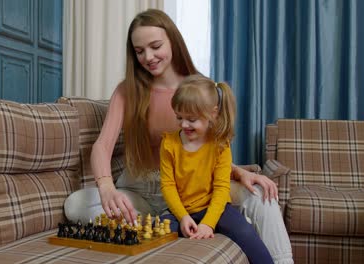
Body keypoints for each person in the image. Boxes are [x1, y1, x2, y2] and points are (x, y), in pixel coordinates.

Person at [67, 8, 293, 264]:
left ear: (173, 40)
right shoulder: (127, 91)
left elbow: (205, 155)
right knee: (76, 205)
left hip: (193, 188)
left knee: (263, 197)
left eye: (155, 46)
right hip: (139, 191)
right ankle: (161, 223)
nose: (148, 57)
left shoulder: (199, 89)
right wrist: (106, 188)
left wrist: (240, 172)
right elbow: (101, 146)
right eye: (139, 51)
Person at [159, 75, 273, 264]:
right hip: (181, 210)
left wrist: (208, 223)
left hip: (215, 209)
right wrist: (183, 217)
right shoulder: (168, 144)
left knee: (245, 232)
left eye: (191, 119)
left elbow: (221, 188)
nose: (183, 124)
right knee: (154, 229)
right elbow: (168, 186)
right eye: (179, 117)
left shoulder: (220, 144)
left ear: (212, 114)